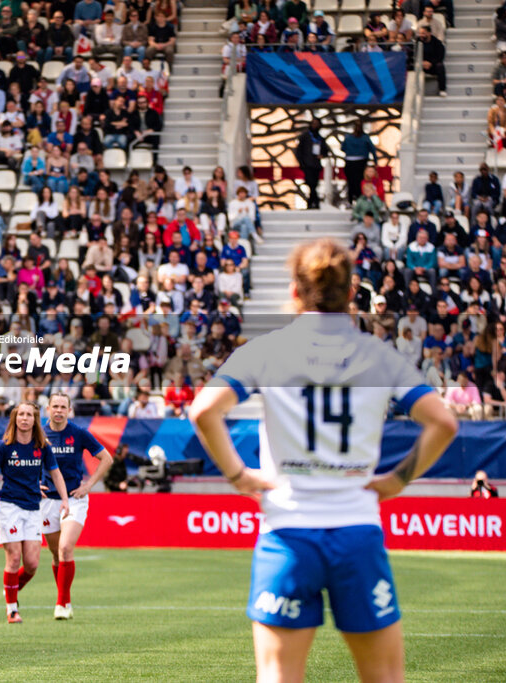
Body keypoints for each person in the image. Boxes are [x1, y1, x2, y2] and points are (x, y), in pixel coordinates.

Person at [189, 238, 458, 683]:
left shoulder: (267, 350)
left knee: (278, 676)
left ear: (295, 291)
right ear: (352, 291)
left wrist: (239, 475)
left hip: (288, 533)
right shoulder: (379, 356)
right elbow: (443, 424)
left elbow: (203, 411)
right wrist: (397, 480)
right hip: (357, 530)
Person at [0, 402, 68, 624]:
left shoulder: (42, 446)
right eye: (21, 414)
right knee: (14, 557)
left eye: (29, 415)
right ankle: (12, 610)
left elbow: (56, 474)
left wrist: (65, 499)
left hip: (33, 508)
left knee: (32, 564)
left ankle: (10, 589)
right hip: (9, 506)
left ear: (35, 420)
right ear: (15, 418)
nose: (25, 418)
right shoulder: (4, 446)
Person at [41, 393, 113, 619]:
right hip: (47, 500)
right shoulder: (39, 434)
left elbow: (107, 458)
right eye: (55, 406)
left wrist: (89, 485)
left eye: (63, 407)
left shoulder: (79, 433)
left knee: (65, 548)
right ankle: (66, 599)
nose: (59, 410)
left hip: (74, 498)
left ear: (69, 410)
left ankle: (61, 604)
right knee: (55, 555)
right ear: (48, 410)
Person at [295, 119, 328, 209]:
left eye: (317, 124)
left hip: (316, 165)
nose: (315, 125)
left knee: (314, 184)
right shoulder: (304, 136)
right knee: (311, 183)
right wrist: (301, 163)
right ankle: (315, 202)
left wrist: (322, 155)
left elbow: (326, 150)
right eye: (313, 123)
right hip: (307, 164)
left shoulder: (320, 138)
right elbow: (298, 151)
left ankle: (311, 202)